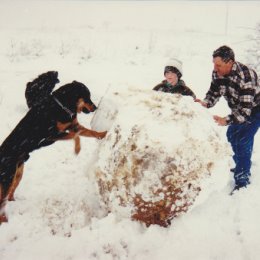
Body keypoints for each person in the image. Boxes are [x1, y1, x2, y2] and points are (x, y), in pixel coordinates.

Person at [196, 45, 260, 194]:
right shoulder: (217, 73)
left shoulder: (247, 76)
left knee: (243, 139)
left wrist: (226, 120)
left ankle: (242, 179)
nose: (215, 68)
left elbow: (245, 112)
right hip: (238, 109)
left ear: (230, 62)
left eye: (218, 65)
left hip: (255, 109)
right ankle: (240, 165)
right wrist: (205, 103)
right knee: (231, 136)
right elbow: (213, 93)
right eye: (214, 64)